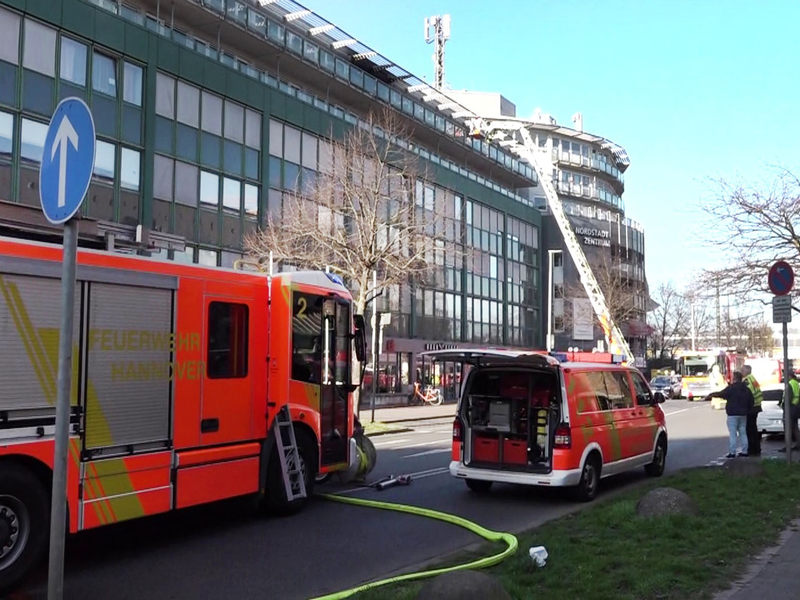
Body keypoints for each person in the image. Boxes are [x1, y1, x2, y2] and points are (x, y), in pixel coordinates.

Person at [705, 371, 754, 458]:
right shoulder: (746, 389)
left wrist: (711, 395)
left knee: (733, 434)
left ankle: (732, 452)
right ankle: (745, 451)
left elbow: (721, 394)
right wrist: (747, 410)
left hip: (732, 414)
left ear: (734, 378)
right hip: (743, 415)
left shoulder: (731, 388)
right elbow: (751, 401)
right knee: (743, 433)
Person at [742, 365, 763, 456]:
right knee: (754, 429)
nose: (741, 372)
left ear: (746, 371)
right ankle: (757, 449)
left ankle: (752, 450)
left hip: (751, 407)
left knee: (749, 430)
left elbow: (747, 395)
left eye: (742, 370)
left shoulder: (746, 380)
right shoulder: (753, 379)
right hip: (757, 406)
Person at [779, 371, 800, 451]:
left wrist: (783, 405)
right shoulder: (796, 383)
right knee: (795, 427)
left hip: (790, 408)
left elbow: (788, 398)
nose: (784, 377)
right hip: (796, 407)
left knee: (787, 428)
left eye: (785, 375)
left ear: (789, 376)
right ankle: (798, 444)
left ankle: (788, 447)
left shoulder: (790, 384)